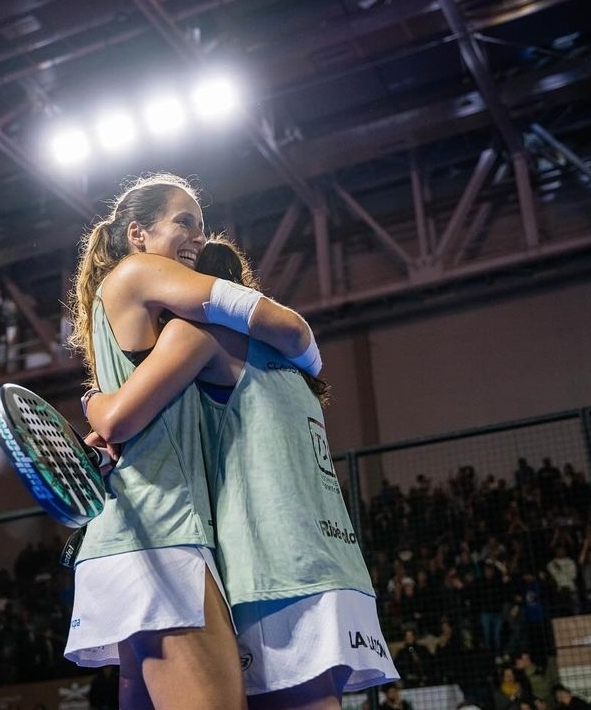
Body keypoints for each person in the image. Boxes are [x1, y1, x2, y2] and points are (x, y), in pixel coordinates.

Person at [83, 237, 397, 708]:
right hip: (331, 558)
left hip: (271, 564)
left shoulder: (197, 333)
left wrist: (92, 400)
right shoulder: (292, 362)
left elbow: (117, 417)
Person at [62, 174, 318, 710]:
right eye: (184, 223)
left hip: (142, 534)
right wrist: (308, 351)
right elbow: (268, 318)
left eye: (201, 228)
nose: (198, 238)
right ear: (137, 233)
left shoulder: (155, 329)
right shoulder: (141, 275)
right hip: (159, 536)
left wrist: (97, 405)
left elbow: (119, 414)